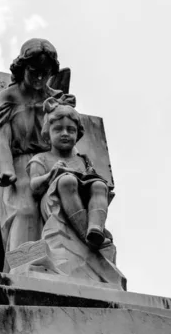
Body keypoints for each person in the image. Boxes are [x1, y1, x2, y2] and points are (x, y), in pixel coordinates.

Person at [0, 38, 75, 253]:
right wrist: (6, 170)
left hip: (52, 162)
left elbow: (68, 134)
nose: (39, 77)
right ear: (22, 67)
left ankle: (55, 267)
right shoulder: (7, 97)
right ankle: (22, 267)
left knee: (58, 214)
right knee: (26, 212)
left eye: (44, 73)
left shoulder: (57, 99)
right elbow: (1, 138)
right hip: (20, 167)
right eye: (33, 70)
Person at [27, 98, 111, 249]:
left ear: (77, 134)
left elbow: (90, 180)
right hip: (53, 200)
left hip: (79, 197)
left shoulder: (83, 160)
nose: (65, 134)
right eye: (58, 129)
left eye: (70, 130)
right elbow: (34, 185)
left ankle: (96, 229)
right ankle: (85, 235)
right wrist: (52, 174)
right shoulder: (41, 158)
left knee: (99, 185)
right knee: (67, 181)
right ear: (47, 134)